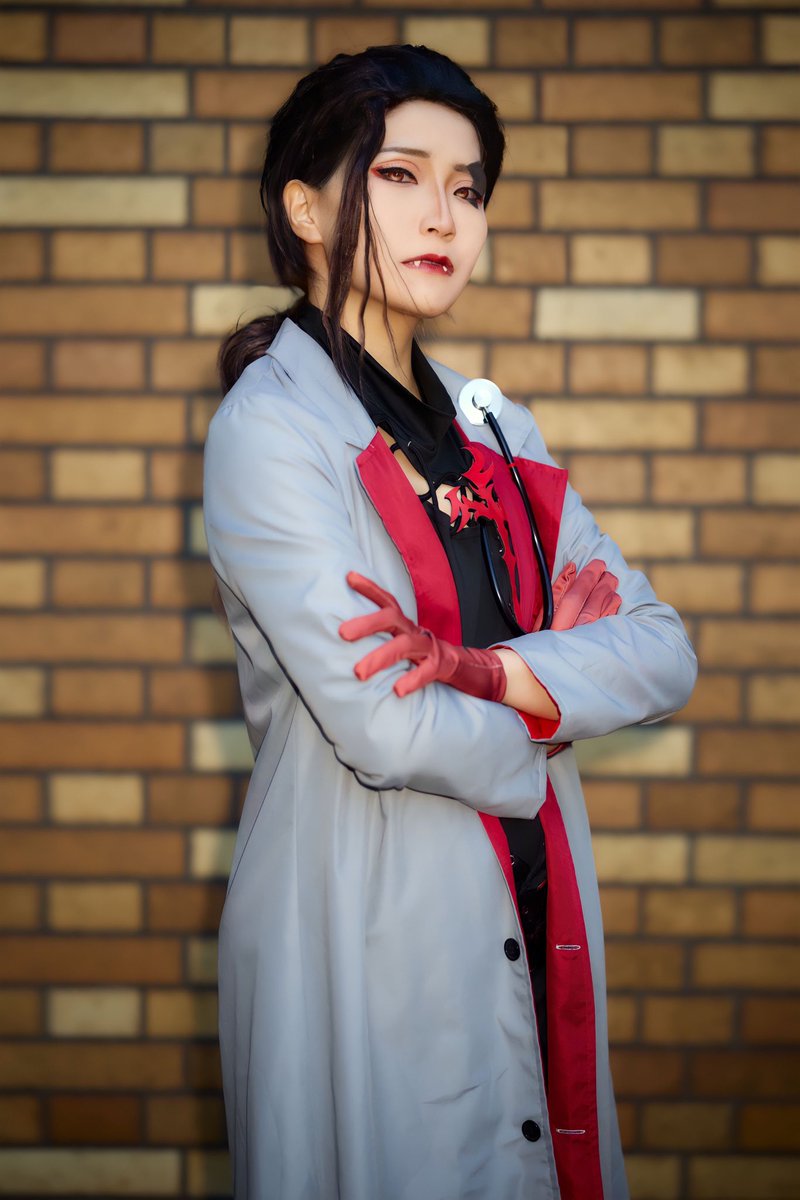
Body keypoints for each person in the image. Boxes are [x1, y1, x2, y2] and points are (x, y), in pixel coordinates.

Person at [202, 44, 697, 1200]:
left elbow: (662, 651)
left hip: (534, 886)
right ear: (304, 209)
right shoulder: (271, 430)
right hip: (361, 910)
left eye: (466, 189)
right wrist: (558, 688)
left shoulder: (496, 429)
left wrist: (480, 670)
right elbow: (384, 726)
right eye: (399, 176)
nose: (444, 217)